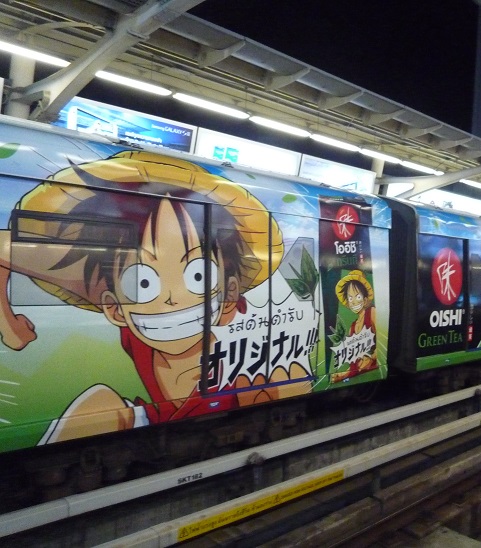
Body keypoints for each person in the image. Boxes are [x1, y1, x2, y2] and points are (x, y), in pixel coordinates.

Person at [0, 151, 311, 443]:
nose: (172, 299)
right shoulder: (140, 333)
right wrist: (7, 321)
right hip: (151, 419)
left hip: (194, 412)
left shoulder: (240, 374)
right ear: (113, 307)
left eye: (198, 276)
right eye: (142, 282)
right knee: (100, 402)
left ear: (230, 294)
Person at [331, 270, 378, 382]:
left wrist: (372, 358)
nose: (354, 302)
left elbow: (384, 345)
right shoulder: (352, 327)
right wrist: (342, 375)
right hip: (360, 376)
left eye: (358, 297)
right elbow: (355, 365)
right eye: (350, 298)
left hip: (374, 373)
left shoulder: (372, 312)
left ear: (365, 299)